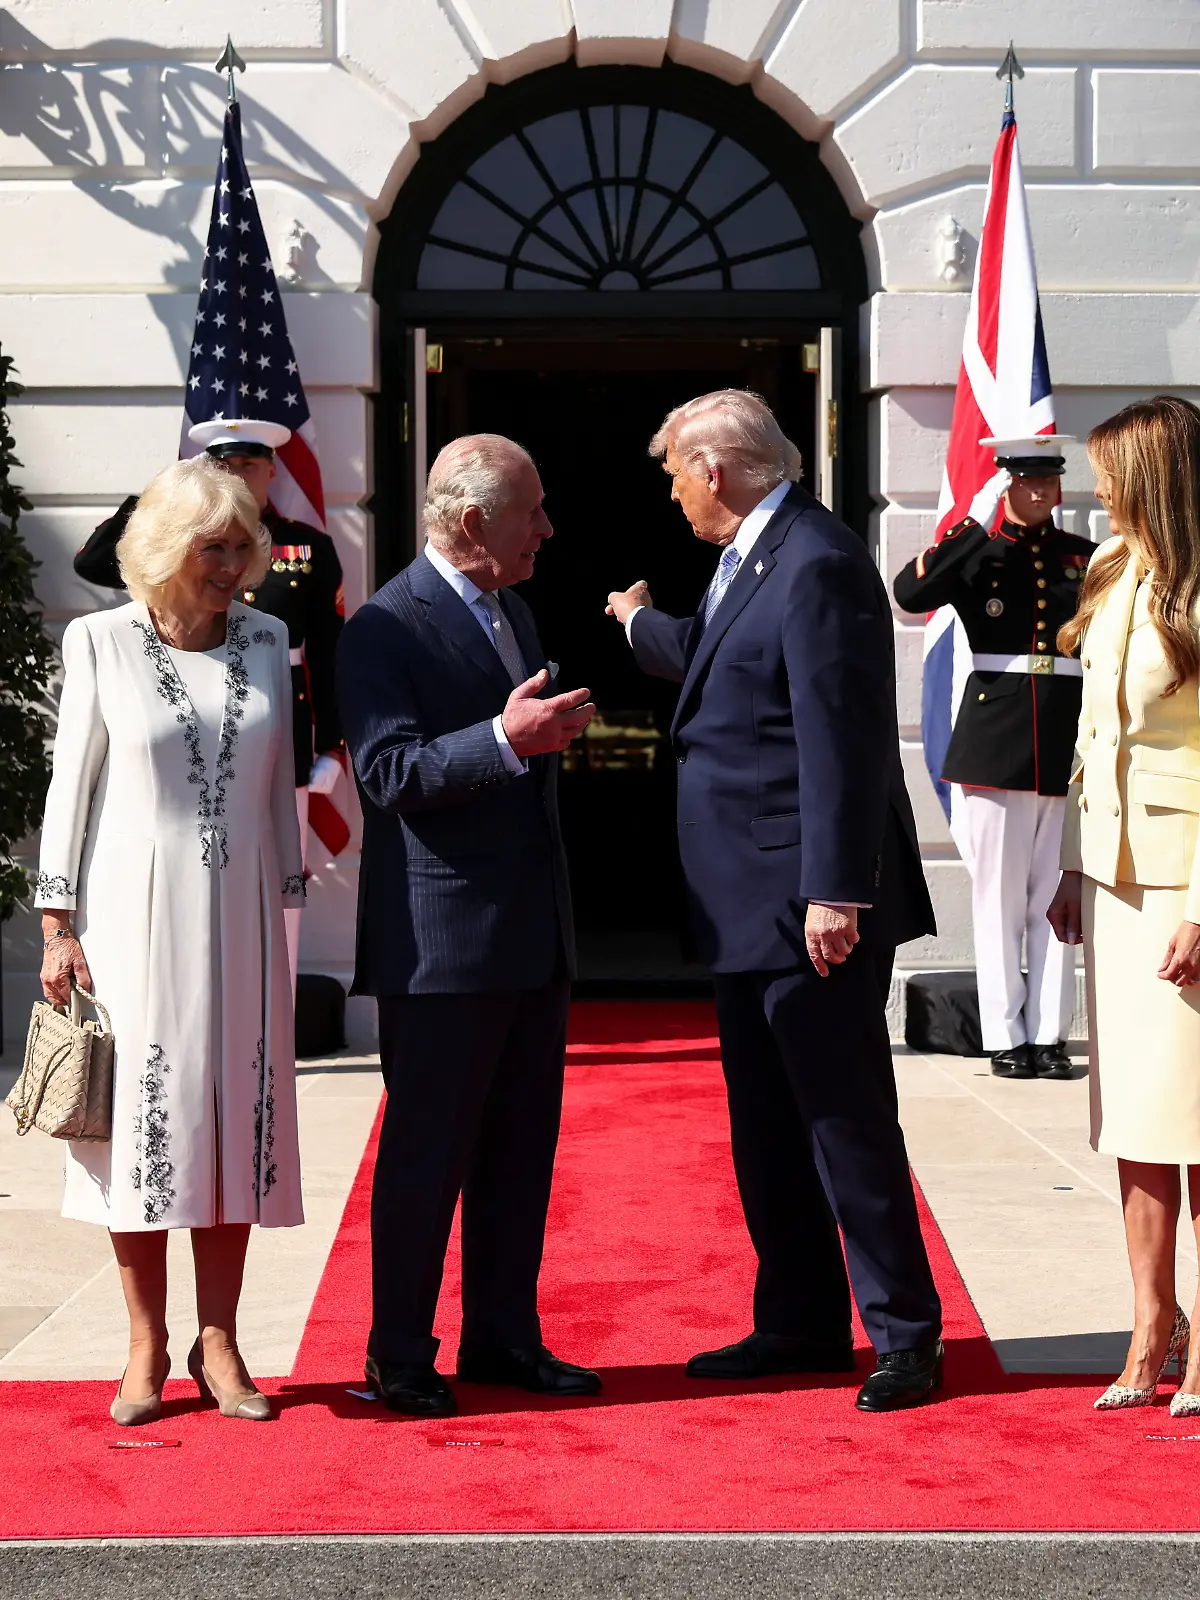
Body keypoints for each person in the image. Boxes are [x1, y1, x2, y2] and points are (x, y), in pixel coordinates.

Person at [606, 390, 944, 1412]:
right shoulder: (749, 553)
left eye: (674, 475)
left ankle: (906, 1334)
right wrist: (634, 625)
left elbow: (839, 735)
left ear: (715, 469)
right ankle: (798, 1319)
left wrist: (836, 889)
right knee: (766, 1123)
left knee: (842, 1116)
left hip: (808, 901)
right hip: (742, 902)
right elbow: (716, 663)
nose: (672, 495)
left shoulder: (817, 557)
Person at [37, 456, 305, 1426]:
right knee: (146, 1130)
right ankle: (147, 1341)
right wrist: (57, 921)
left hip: (241, 922)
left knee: (230, 1122)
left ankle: (221, 1339)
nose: (233, 563)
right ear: (161, 549)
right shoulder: (100, 640)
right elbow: (72, 782)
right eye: (212, 546)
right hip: (130, 919)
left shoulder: (272, 639)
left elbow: (277, 786)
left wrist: (290, 906)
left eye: (244, 545)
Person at [336, 434, 597, 1419]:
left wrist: (539, 737)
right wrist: (504, 739)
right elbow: (390, 775)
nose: (547, 528)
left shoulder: (516, 610)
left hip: (531, 935)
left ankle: (503, 1337)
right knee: (426, 1156)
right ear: (474, 520)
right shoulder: (383, 628)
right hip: (439, 947)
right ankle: (399, 1353)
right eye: (531, 510)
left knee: (521, 1153)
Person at [72, 419, 347, 993]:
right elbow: (94, 563)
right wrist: (157, 503)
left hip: (274, 737)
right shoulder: (175, 546)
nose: (238, 476)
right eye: (224, 466)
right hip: (175, 740)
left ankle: (279, 1011)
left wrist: (330, 745)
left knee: (277, 901)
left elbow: (327, 648)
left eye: (250, 466)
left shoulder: (307, 546)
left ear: (272, 471)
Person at [1048, 395, 1200, 1414]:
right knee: (1137, 1119)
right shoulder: (1112, 572)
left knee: (1199, 1122)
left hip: (1187, 883)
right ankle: (1151, 1330)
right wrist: (1070, 862)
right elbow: (1087, 745)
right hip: (1114, 876)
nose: (1093, 485)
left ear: (1154, 472)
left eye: (1110, 468)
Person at [893, 436, 1094, 1079]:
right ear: (1005, 486)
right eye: (1027, 483)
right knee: (999, 898)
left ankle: (1049, 1037)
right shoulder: (979, 555)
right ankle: (1006, 1035)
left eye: (1049, 483)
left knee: (1059, 902)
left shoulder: (1082, 559)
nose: (1040, 493)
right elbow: (911, 593)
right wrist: (973, 525)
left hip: (1065, 739)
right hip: (995, 741)